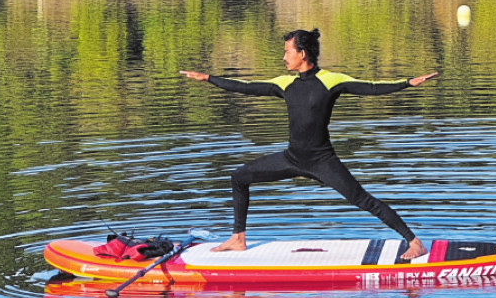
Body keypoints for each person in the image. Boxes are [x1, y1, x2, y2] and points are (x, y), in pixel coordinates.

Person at [180, 29, 438, 260]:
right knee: (240, 177)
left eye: (287, 52)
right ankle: (238, 238)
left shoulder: (331, 80)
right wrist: (209, 78)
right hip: (292, 159)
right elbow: (245, 87)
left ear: (302, 54)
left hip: (322, 161)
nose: (284, 58)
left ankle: (415, 242)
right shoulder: (285, 83)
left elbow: (370, 87)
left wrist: (407, 83)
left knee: (363, 199)